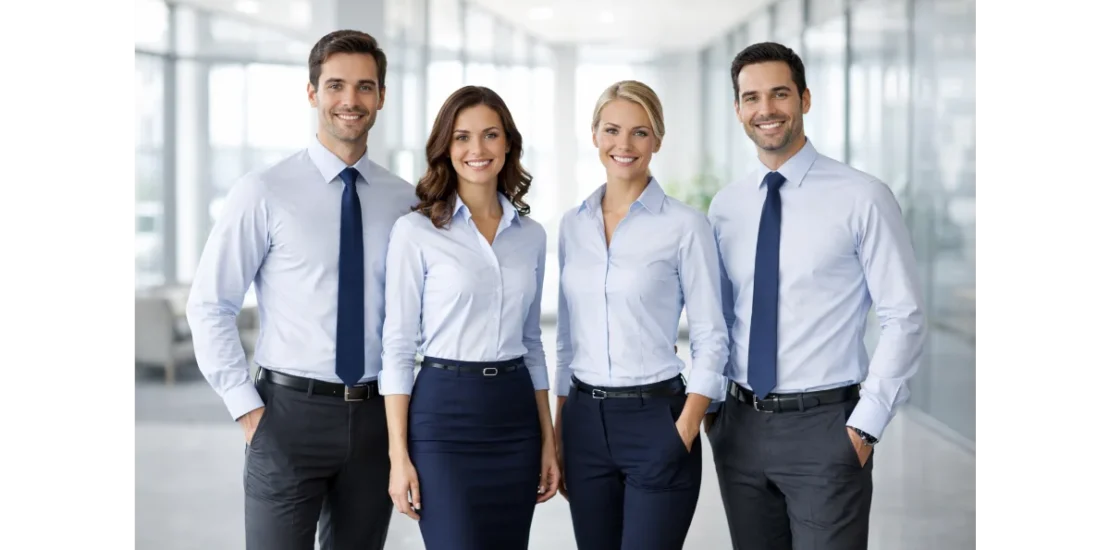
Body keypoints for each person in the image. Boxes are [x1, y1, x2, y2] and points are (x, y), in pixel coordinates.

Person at [185, 30, 415, 550]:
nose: (350, 101)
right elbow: (210, 304)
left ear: (381, 96)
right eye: (335, 85)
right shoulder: (263, 191)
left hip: (377, 420)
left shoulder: (404, 202)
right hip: (288, 414)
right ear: (312, 93)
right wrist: (248, 410)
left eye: (364, 87)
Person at [704, 41, 927, 550]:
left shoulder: (862, 196)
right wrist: (716, 412)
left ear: (805, 99)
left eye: (779, 94)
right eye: (752, 97)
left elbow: (904, 315)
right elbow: (718, 317)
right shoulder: (726, 206)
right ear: (738, 109)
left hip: (826, 429)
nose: (766, 110)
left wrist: (864, 427)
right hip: (739, 428)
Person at [379, 85, 560, 550]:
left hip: (514, 416)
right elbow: (397, 347)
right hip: (444, 418)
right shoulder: (415, 231)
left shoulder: (532, 236)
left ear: (507, 145)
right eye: (462, 137)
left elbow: (531, 341)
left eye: (490, 135)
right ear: (446, 147)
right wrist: (398, 456)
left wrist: (547, 439)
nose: (476, 149)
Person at [553, 80, 730, 550]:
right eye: (612, 130)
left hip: (658, 418)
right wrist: (560, 429)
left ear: (657, 140)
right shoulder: (573, 225)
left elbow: (713, 338)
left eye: (640, 133)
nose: (624, 145)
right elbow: (567, 341)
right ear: (594, 135)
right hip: (584, 423)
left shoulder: (685, 226)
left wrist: (685, 429)